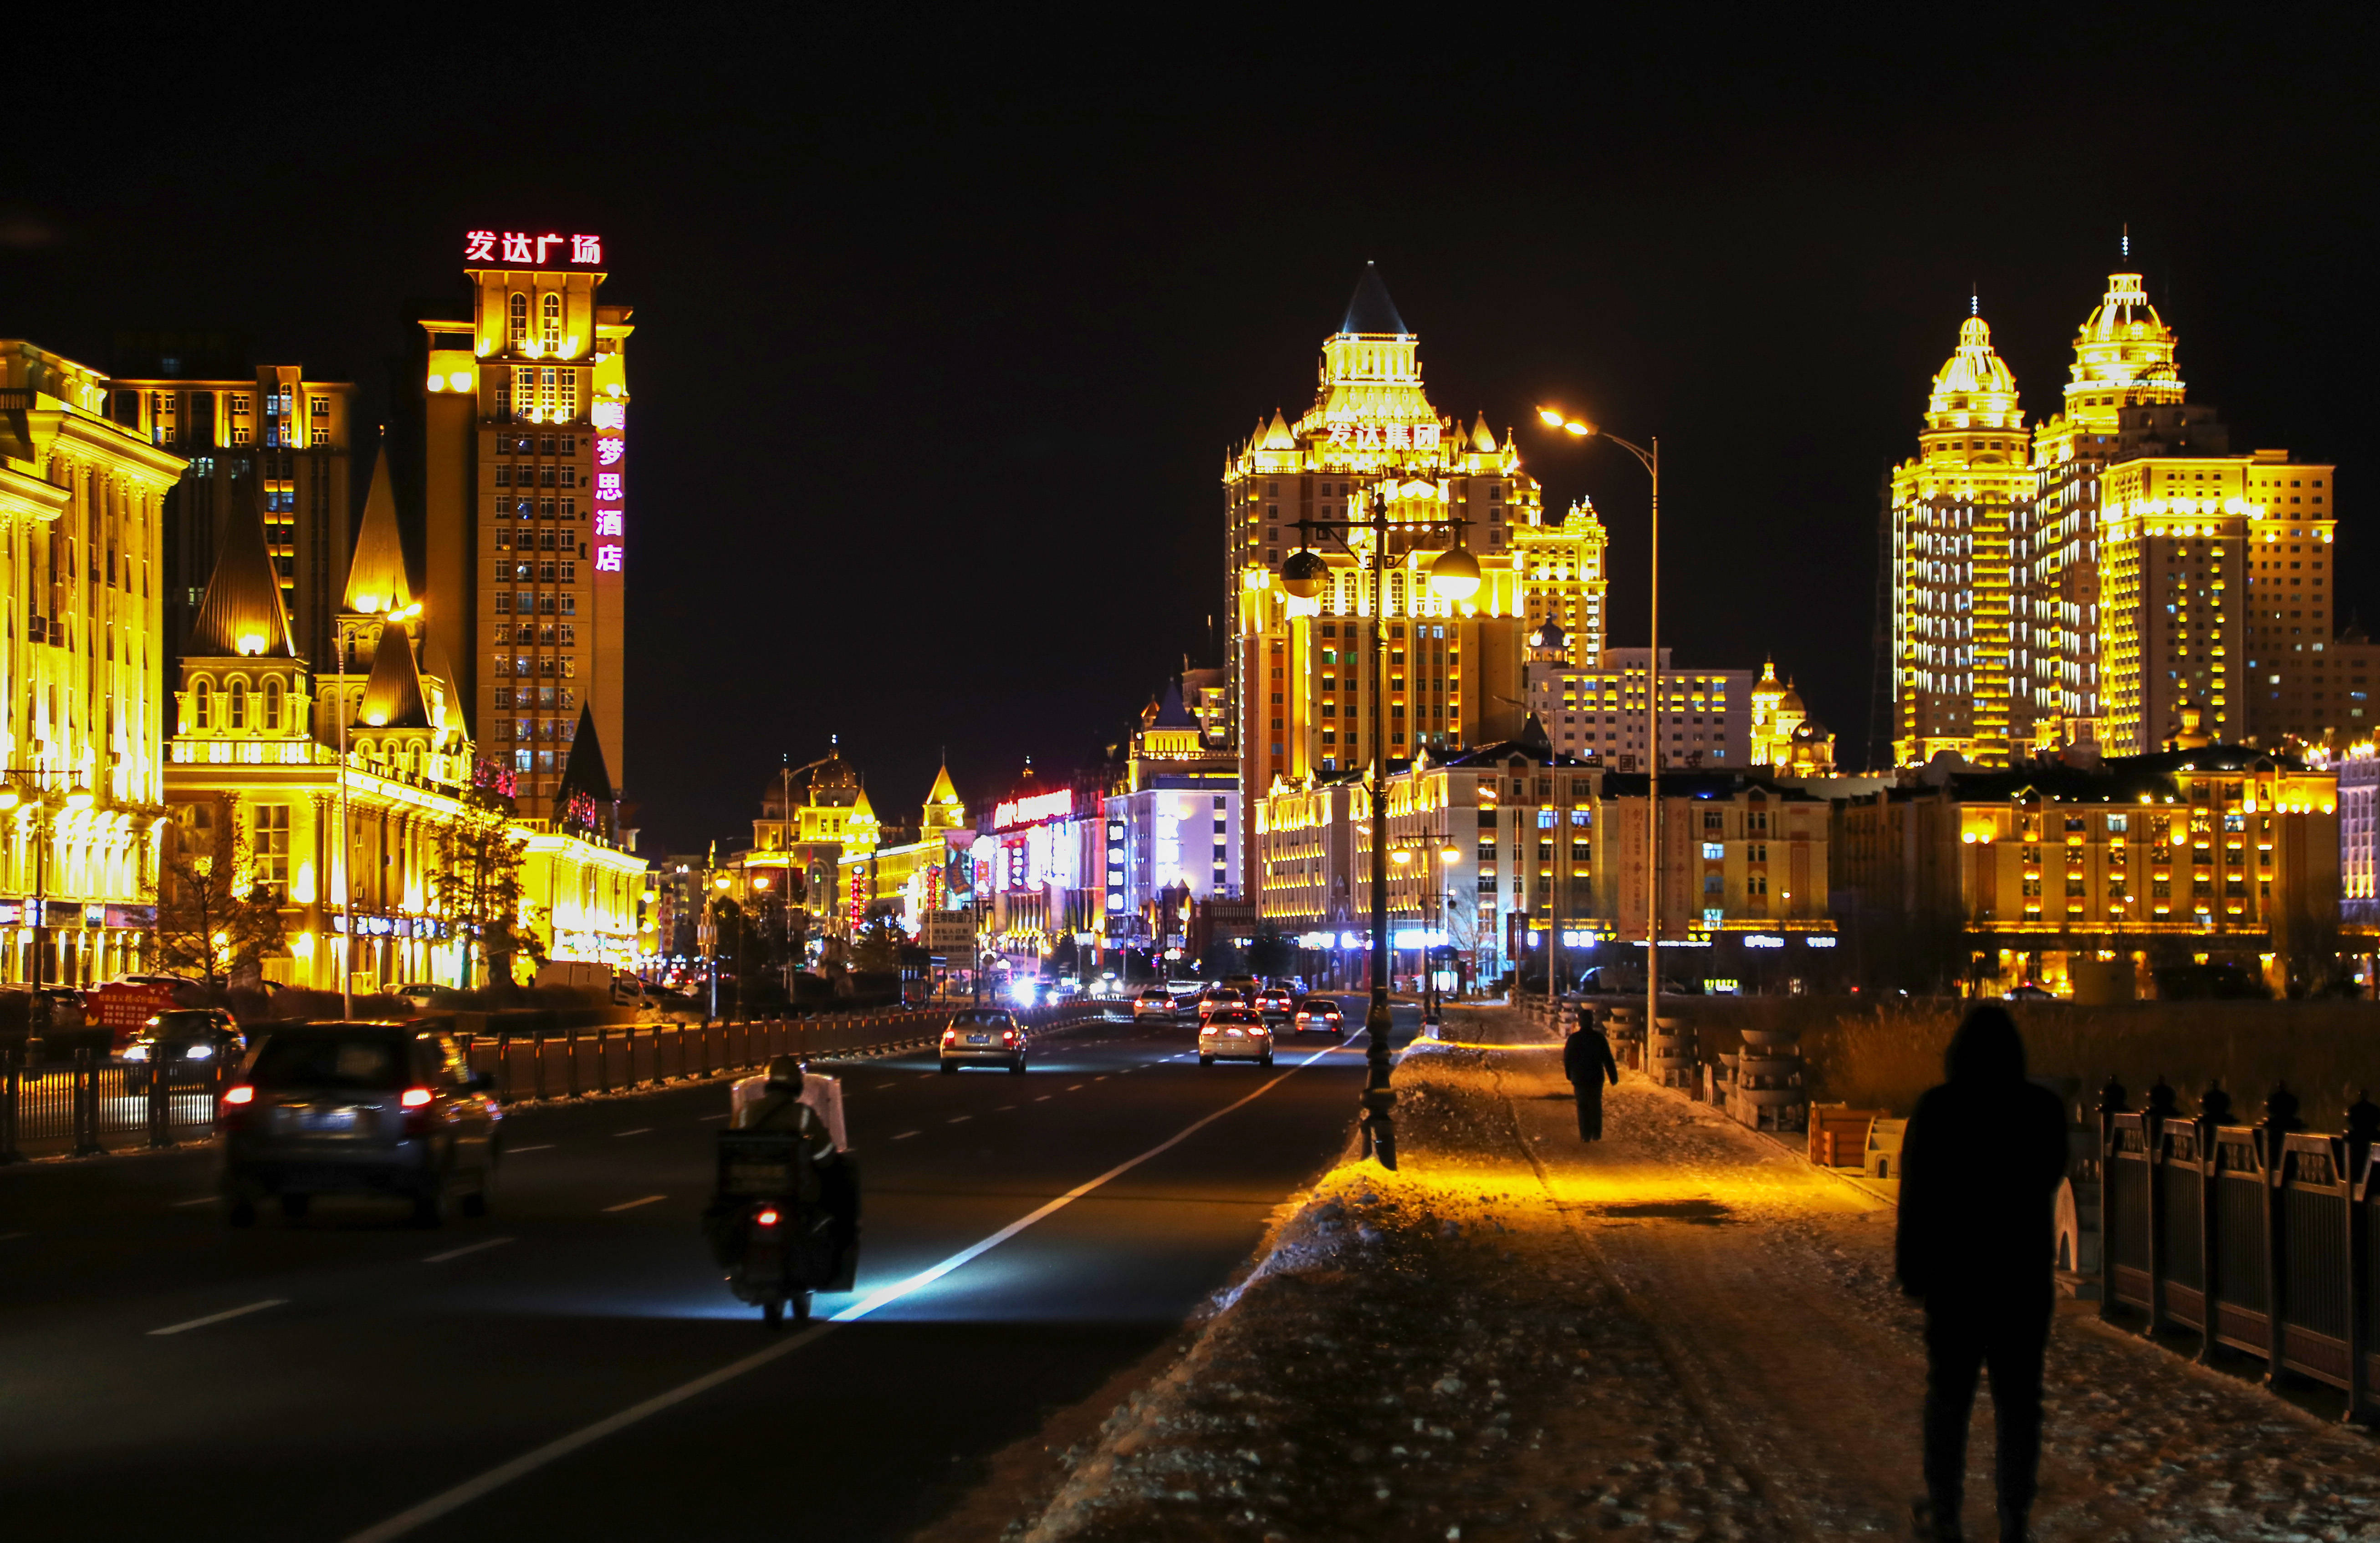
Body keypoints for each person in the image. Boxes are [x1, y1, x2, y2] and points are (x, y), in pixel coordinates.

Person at [1895, 1004, 2069, 1543]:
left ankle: (1945, 1506)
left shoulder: (1938, 1108)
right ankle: (2015, 1512)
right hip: (2021, 1278)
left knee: (1949, 1394)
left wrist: (1913, 1267)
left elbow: (1916, 1195)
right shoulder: (2041, 1109)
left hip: (1956, 1276)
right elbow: (2049, 1173)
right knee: (2020, 1402)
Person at [1562, 1006, 1620, 1142]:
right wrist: (1613, 1076)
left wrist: (1569, 1074)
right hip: (1596, 1078)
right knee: (1595, 1105)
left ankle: (1585, 1134)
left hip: (1579, 1078)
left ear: (1580, 1023)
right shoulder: (1599, 1038)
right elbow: (1608, 1058)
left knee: (1582, 1106)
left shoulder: (1574, 1039)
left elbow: (1568, 1058)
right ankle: (1596, 1133)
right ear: (1592, 1022)